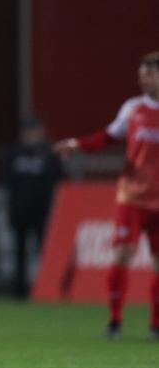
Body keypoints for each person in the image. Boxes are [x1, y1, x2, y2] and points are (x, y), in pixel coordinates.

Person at [55, 52, 159, 340]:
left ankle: (156, 325)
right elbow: (108, 137)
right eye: (142, 74)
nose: (143, 79)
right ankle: (115, 322)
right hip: (133, 195)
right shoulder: (133, 108)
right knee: (122, 255)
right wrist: (77, 144)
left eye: (150, 74)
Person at [7, 117, 63, 298]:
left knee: (44, 251)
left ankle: (45, 288)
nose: (31, 136)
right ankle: (19, 291)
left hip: (42, 211)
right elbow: (9, 182)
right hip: (20, 211)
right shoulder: (15, 152)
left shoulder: (49, 153)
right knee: (19, 253)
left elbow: (58, 180)